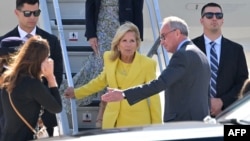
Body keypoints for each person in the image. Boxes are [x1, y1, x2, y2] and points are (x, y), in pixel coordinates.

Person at [102, 16, 211, 122]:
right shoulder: (200, 54)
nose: (162, 42)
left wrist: (124, 94)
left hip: (182, 124)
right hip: (198, 122)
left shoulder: (182, 55)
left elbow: (160, 83)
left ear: (177, 33)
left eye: (163, 36)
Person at [59, 0, 144, 127]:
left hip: (124, 29)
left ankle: (103, 107)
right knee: (103, 65)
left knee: (118, 67)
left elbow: (137, 7)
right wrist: (91, 34)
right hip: (102, 27)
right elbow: (90, 5)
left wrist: (138, 37)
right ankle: (101, 104)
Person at [64, 22, 162, 129]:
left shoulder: (147, 64)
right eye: (124, 40)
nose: (128, 45)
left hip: (138, 123)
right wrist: (77, 92)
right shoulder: (109, 59)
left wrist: (157, 127)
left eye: (132, 41)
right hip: (112, 122)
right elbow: (99, 82)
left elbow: (154, 98)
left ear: (137, 44)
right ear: (118, 44)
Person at [0, 0, 63, 136]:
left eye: (36, 13)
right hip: (10, 118)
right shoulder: (3, 42)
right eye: (27, 13)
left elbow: (57, 72)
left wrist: (42, 96)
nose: (32, 17)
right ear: (17, 13)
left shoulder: (50, 41)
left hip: (44, 119)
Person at [191, 2, 249, 117]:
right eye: (209, 15)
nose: (214, 18)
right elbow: (186, 81)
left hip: (228, 112)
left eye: (218, 16)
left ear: (222, 20)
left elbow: (242, 82)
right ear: (201, 20)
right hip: (197, 113)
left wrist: (222, 101)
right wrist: (207, 102)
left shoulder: (236, 49)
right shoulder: (190, 48)